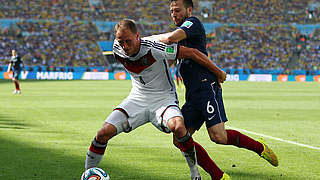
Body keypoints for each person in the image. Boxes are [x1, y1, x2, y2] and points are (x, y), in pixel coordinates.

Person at [85, 19, 226, 180]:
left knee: (179, 127)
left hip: (163, 99)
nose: (124, 46)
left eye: (128, 41)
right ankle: (87, 174)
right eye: (121, 41)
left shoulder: (153, 47)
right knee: (102, 133)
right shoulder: (116, 48)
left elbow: (192, 53)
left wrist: (218, 72)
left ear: (137, 36)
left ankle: (195, 173)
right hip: (137, 98)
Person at [154, 0, 279, 179]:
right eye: (171, 11)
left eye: (178, 10)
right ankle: (219, 176)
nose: (174, 14)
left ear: (189, 10)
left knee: (218, 136)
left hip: (206, 88)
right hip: (192, 95)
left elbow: (171, 39)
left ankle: (260, 148)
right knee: (180, 137)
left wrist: (146, 40)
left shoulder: (192, 23)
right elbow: (171, 56)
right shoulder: (182, 37)